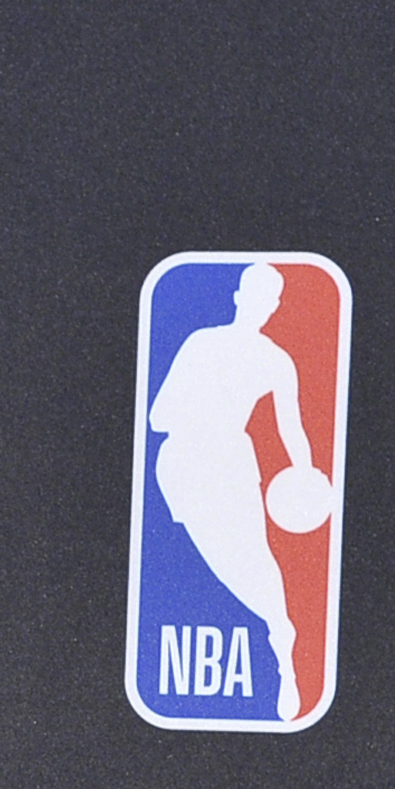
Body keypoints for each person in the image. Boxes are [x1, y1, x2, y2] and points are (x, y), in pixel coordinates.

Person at [147, 261, 319, 719]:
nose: (263, 305)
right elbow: (157, 418)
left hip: (226, 462)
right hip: (184, 466)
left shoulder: (274, 360)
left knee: (254, 557)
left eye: (270, 298)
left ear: (273, 305)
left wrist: (305, 475)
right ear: (241, 296)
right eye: (260, 295)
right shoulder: (203, 343)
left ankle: (282, 644)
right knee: (225, 560)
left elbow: (292, 430)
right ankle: (278, 630)